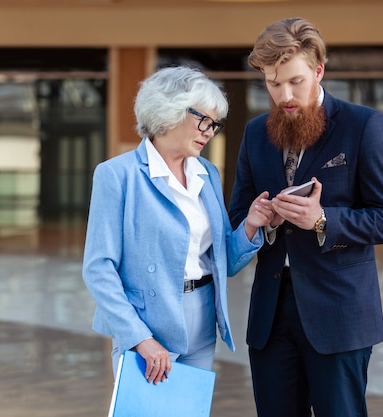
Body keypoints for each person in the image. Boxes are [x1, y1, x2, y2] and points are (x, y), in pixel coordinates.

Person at [228, 17, 383, 417]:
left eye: (295, 81)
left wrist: (323, 219)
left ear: (319, 70)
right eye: (273, 84)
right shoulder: (256, 133)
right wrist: (260, 222)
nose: (285, 95)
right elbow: (238, 214)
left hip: (340, 315)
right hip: (271, 317)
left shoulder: (364, 126)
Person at [82, 66, 273, 385]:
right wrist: (140, 338)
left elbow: (223, 261)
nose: (210, 132)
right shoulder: (117, 175)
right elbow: (99, 269)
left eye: (215, 124)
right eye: (204, 121)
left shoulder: (207, 173)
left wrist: (252, 223)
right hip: (148, 327)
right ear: (168, 110)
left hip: (202, 323)